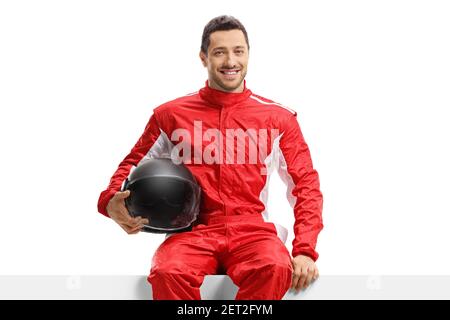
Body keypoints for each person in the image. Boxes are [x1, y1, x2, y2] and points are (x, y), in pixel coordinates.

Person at [97, 15, 323, 300]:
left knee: (275, 267)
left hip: (252, 232)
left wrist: (304, 250)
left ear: (248, 54)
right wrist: (108, 202)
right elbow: (131, 165)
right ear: (203, 58)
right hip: (191, 232)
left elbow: (306, 186)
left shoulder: (278, 118)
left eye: (238, 51)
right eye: (220, 52)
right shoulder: (170, 115)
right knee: (168, 273)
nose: (231, 61)